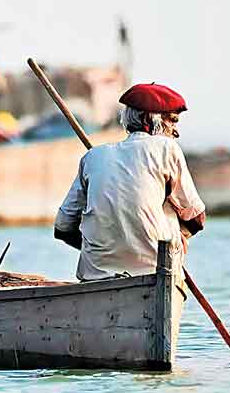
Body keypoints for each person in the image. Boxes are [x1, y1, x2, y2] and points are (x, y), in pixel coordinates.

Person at [54, 83, 206, 281]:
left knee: (163, 204)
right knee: (169, 209)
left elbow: (63, 227)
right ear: (148, 119)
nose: (175, 131)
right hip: (155, 270)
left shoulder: (93, 157)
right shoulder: (167, 148)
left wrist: (100, 249)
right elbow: (197, 217)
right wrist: (180, 236)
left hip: (96, 274)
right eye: (173, 121)